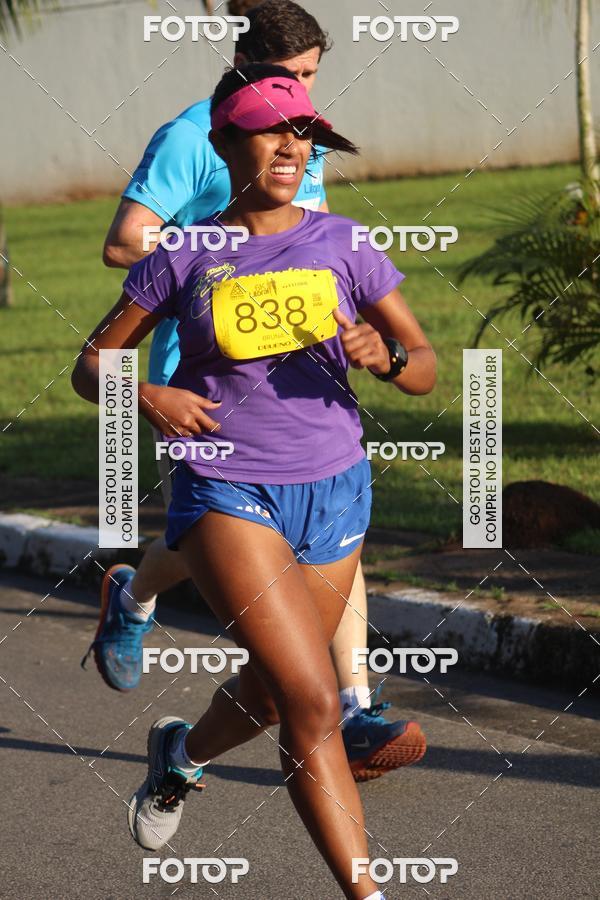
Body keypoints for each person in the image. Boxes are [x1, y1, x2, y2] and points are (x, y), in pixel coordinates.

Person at [73, 62, 436, 898]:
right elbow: (93, 366)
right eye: (269, 129)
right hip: (227, 487)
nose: (288, 144)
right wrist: (149, 391)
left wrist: (388, 359)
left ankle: (183, 754)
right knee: (313, 702)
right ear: (224, 143)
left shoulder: (344, 242)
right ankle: (368, 893)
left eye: (302, 130)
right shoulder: (187, 252)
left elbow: (422, 365)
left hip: (337, 486)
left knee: (277, 694)